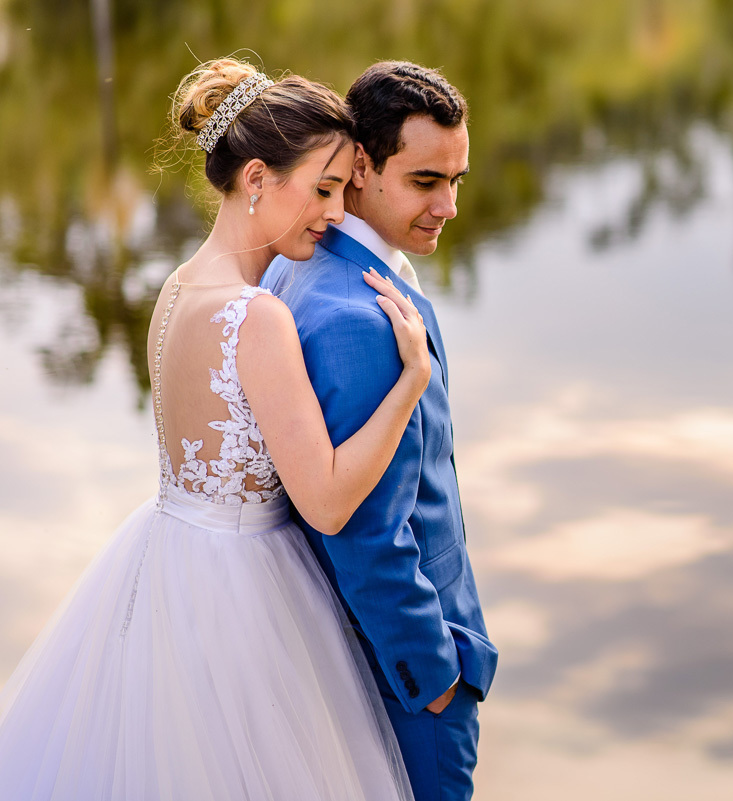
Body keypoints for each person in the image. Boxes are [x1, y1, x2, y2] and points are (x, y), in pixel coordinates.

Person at [0, 58, 427, 800]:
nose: (333, 212)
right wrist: (410, 383)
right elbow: (326, 502)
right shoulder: (258, 316)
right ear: (258, 179)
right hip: (244, 592)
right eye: (322, 189)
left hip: (164, 563)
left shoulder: (175, 290)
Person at [261, 61, 498, 801]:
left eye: (457, 180)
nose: (449, 204)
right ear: (362, 166)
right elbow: (367, 530)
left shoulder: (307, 265)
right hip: (411, 681)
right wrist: (430, 677)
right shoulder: (353, 318)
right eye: (427, 181)